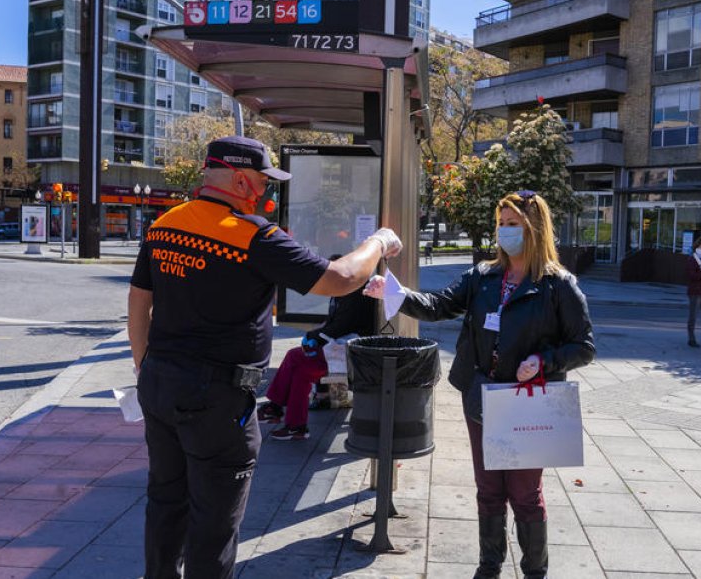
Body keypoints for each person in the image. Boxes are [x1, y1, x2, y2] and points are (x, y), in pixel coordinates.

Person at [127, 135, 403, 579]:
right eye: (263, 182)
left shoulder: (165, 224)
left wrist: (144, 368)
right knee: (214, 522)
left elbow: (140, 299)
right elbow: (341, 276)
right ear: (240, 179)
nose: (266, 193)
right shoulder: (253, 237)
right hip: (217, 399)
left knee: (165, 498)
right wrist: (378, 241)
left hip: (160, 385)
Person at [365, 190, 595, 579]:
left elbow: (584, 346)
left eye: (513, 225)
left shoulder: (559, 286)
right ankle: (489, 566)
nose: (504, 232)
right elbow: (439, 305)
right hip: (483, 398)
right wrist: (395, 293)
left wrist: (544, 361)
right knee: (488, 490)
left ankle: (535, 571)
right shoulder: (483, 277)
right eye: (501, 224)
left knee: (524, 494)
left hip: (527, 403)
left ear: (535, 229)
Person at [257, 254, 377, 440]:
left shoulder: (356, 293)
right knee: (301, 371)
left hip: (353, 356)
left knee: (294, 356)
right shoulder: (347, 290)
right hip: (341, 350)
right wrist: (317, 334)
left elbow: (343, 325)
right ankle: (295, 426)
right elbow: (335, 324)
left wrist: (314, 336)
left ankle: (276, 406)